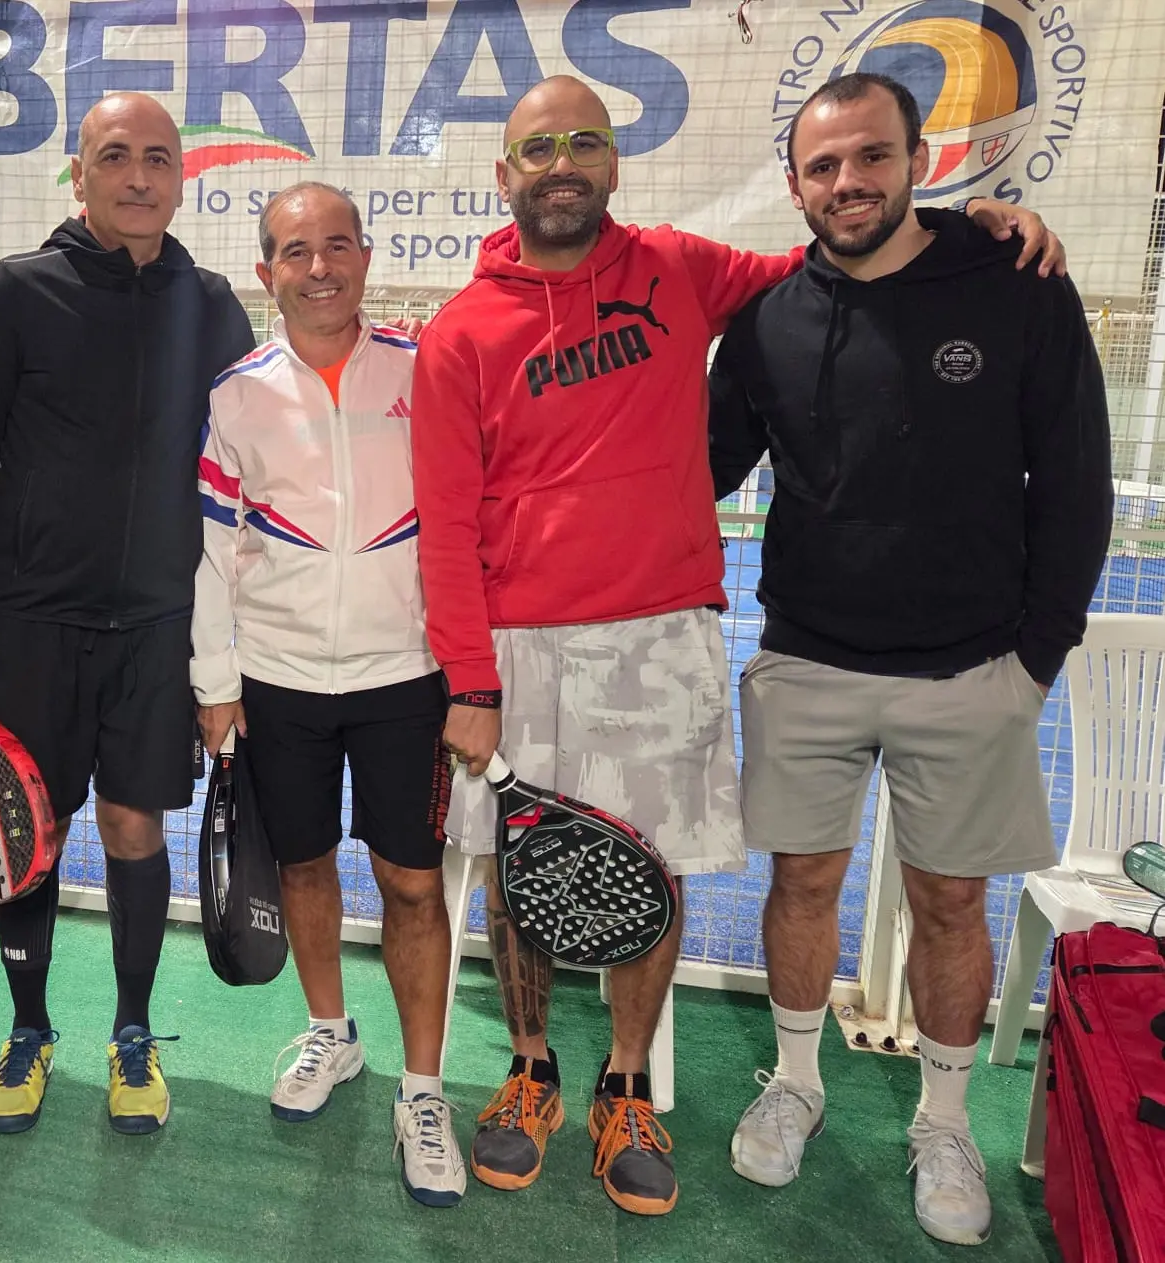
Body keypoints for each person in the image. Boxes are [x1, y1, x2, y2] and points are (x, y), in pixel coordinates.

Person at [410, 76, 1063, 1218]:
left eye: (583, 143)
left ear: (613, 164)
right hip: (516, 649)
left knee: (645, 876)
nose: (560, 163)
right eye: (535, 149)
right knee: (523, 877)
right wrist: (467, 678)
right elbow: (443, 522)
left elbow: (848, 251)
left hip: (662, 638)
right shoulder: (462, 329)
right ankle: (527, 1073)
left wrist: (976, 223)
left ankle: (624, 1088)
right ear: (502, 174)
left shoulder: (677, 266)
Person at [708, 73, 1111, 1247]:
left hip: (973, 671)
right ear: (795, 185)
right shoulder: (768, 315)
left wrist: (1032, 660)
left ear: (916, 159)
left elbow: (1075, 485)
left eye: (868, 158)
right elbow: (698, 471)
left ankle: (940, 1122)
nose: (847, 184)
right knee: (800, 888)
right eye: (823, 168)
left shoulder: (1016, 282)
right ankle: (795, 1084)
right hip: (805, 663)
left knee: (947, 902)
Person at [0, 92, 256, 1137]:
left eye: (158, 158)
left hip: (162, 627)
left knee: (129, 822)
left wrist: (231, 642)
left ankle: (130, 1028)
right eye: (115, 156)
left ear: (178, 176)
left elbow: (247, 473)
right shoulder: (21, 291)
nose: (138, 176)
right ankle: (27, 1028)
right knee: (31, 829)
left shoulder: (211, 304)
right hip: (28, 622)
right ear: (78, 173)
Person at [193, 182, 462, 1206]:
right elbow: (208, 554)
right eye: (293, 252)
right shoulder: (234, 395)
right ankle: (328, 1034)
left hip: (405, 680)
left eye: (335, 246)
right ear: (265, 273)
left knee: (409, 885)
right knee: (302, 867)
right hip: (278, 682)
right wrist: (215, 683)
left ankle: (424, 1088)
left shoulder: (424, 369)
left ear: (363, 258)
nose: (318, 269)